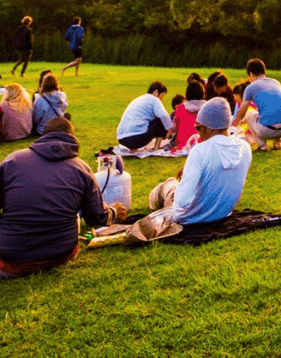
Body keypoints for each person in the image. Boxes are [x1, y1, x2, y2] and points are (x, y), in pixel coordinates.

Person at [0, 116, 126, 278]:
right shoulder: (82, 168)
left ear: (42, 136)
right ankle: (80, 236)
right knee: (76, 217)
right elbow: (97, 219)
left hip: (10, 262)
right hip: (62, 254)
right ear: (72, 137)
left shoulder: (13, 161)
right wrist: (114, 211)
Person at [151, 98, 252, 224]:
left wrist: (183, 183)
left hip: (189, 218)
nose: (198, 133)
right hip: (223, 213)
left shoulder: (200, 151)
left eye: (198, 128)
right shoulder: (245, 148)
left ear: (209, 129)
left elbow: (182, 201)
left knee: (167, 186)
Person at [232, 58, 281, 150]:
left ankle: (262, 145)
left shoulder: (250, 87)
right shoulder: (276, 82)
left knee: (249, 114)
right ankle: (277, 142)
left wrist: (233, 125)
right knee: (272, 111)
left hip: (268, 130)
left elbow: (241, 113)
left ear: (251, 74)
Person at [116, 81, 173, 151]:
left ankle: (133, 148)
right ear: (156, 92)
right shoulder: (154, 99)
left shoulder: (139, 99)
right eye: (162, 95)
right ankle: (156, 148)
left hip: (121, 138)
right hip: (136, 138)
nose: (162, 98)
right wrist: (171, 129)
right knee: (160, 121)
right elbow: (163, 115)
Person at [171, 79, 205, 153]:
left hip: (182, 144)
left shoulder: (181, 108)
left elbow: (176, 128)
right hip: (201, 142)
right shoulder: (206, 107)